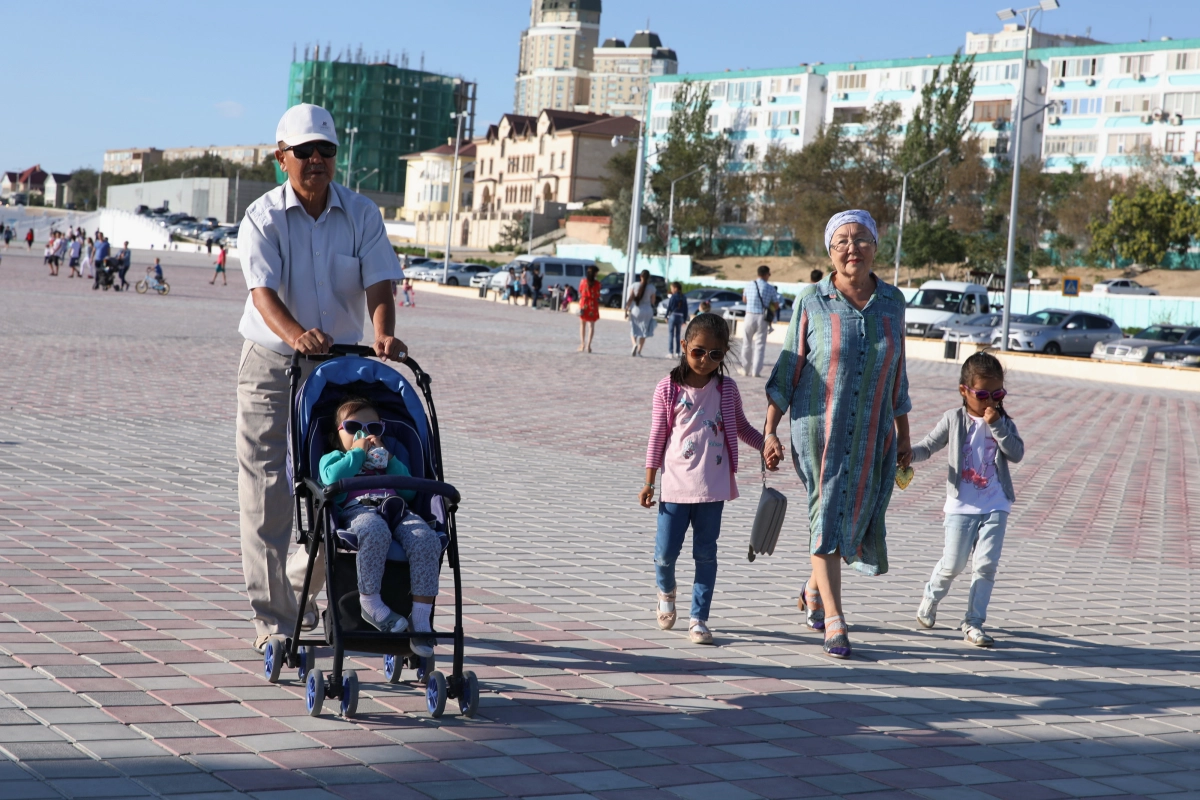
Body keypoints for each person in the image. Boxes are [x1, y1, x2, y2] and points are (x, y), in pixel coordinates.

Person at [236, 103, 405, 653]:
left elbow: (381, 283)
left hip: (336, 373)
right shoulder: (262, 216)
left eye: (326, 151)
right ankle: (275, 625)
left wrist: (382, 333)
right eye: (304, 151)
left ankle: (304, 587)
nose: (316, 160)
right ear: (280, 157)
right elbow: (261, 292)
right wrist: (295, 334)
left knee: (338, 488)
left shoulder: (361, 213)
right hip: (270, 361)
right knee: (269, 491)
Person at [762, 209, 912, 660]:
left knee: (857, 519)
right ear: (830, 251)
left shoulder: (893, 302)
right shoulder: (812, 301)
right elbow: (789, 366)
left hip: (873, 433)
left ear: (875, 247)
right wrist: (769, 430)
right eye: (842, 240)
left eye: (861, 239)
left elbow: (898, 375)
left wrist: (904, 435)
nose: (852, 248)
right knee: (826, 515)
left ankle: (812, 589)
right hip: (818, 431)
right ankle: (834, 619)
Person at [641, 313, 777, 645]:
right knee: (664, 555)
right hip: (674, 487)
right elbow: (658, 435)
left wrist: (767, 444)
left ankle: (699, 618)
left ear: (725, 355)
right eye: (698, 352)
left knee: (706, 554)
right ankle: (666, 590)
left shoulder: (726, 389)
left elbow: (741, 427)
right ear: (684, 346)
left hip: (712, 488)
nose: (706, 361)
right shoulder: (669, 388)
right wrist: (648, 481)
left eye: (716, 355)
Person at [911, 352, 1023, 648]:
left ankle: (973, 623)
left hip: (996, 503)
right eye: (983, 394)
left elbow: (1017, 453)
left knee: (985, 565)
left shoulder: (1002, 421)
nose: (990, 401)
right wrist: (905, 454)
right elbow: (928, 446)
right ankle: (931, 597)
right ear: (964, 390)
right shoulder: (953, 419)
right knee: (953, 564)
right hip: (961, 505)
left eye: (997, 394)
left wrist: (998, 425)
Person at [320, 397, 440, 655]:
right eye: (354, 427)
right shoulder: (335, 457)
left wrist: (391, 460)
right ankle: (370, 603)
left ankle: (420, 619)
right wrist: (357, 453)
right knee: (375, 531)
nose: (365, 434)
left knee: (426, 539)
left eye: (373, 429)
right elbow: (331, 479)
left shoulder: (388, 462)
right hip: (358, 509)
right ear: (337, 433)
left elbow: (409, 492)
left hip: (397, 508)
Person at [741, 265, 779, 378]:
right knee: (760, 345)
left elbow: (744, 299)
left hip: (749, 315)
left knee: (746, 343)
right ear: (766, 274)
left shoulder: (749, 285)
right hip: (762, 317)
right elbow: (776, 305)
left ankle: (745, 369)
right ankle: (756, 371)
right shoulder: (770, 288)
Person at [626, 270, 658, 357]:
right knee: (644, 331)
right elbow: (653, 301)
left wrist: (626, 310)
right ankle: (639, 351)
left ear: (640, 276)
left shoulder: (634, 285)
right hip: (647, 310)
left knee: (634, 329)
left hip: (636, 310)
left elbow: (630, 299)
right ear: (649, 277)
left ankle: (634, 344)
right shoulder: (652, 288)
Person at [577, 264, 601, 352]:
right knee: (591, 325)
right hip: (592, 304)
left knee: (582, 324)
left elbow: (580, 291)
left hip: (584, 303)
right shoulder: (597, 284)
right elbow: (598, 294)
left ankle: (582, 344)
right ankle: (588, 345)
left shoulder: (583, 281)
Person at [664, 281, 689, 360]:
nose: (671, 290)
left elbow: (669, 307)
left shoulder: (673, 296)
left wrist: (666, 316)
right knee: (678, 335)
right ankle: (678, 352)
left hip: (673, 316)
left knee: (671, 334)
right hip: (680, 317)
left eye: (672, 288)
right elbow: (686, 309)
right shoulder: (683, 297)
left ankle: (671, 352)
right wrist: (684, 319)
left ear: (675, 288)